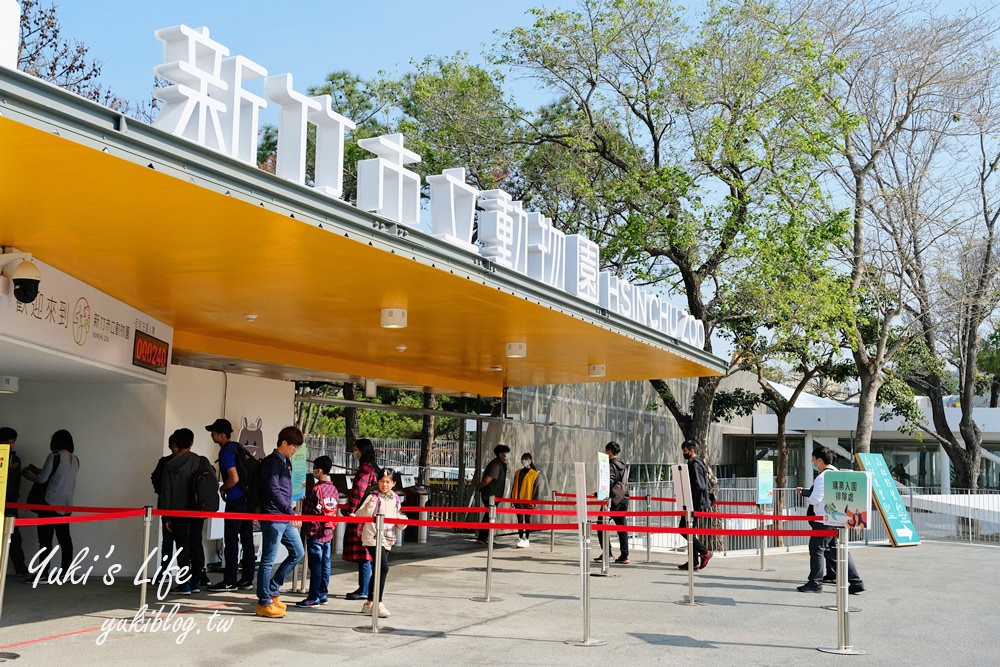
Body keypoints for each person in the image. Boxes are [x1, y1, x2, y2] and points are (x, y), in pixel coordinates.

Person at [796, 446, 866, 594]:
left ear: (820, 460)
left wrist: (810, 496)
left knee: (816, 549)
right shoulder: (836, 473)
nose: (813, 462)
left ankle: (815, 583)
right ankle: (856, 581)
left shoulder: (822, 477)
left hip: (824, 520)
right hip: (838, 519)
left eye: (814, 460)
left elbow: (816, 499)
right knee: (839, 549)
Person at [256, 426, 306, 618]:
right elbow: (273, 490)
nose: (295, 450)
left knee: (297, 552)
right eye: (294, 446)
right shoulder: (272, 463)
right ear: (284, 443)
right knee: (268, 560)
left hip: (284, 515)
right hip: (274, 516)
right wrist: (290, 511)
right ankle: (263, 602)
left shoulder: (285, 462)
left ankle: (273, 589)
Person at [206, 418, 255, 592]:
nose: (211, 435)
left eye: (213, 432)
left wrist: (222, 489)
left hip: (236, 500)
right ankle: (247, 579)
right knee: (247, 540)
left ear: (221, 435)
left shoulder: (226, 452)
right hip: (248, 499)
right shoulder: (238, 447)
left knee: (231, 540)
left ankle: (230, 581)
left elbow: (234, 478)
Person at [161, 428, 212, 595]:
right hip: (197, 511)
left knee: (182, 547)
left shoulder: (169, 466)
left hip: (177, 513)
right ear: (191, 443)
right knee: (196, 544)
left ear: (175, 444)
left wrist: (166, 516)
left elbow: (166, 493)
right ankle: (196, 581)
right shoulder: (200, 461)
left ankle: (184, 584)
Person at [23, 429, 80, 576]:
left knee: (45, 541)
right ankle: (66, 572)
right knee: (65, 540)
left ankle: (43, 573)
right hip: (66, 504)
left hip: (49, 503)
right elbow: (61, 476)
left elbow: (42, 479)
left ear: (55, 441)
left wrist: (30, 476)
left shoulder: (54, 456)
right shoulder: (75, 460)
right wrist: (40, 471)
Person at [355, 467, 406, 618]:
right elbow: (360, 514)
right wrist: (370, 506)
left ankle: (369, 602)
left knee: (378, 569)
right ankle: (378, 602)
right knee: (383, 568)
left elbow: (397, 514)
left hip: (388, 537)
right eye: (382, 481)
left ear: (393, 483)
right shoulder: (373, 496)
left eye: (388, 482)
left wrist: (402, 521)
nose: (384, 485)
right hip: (373, 537)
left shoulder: (395, 498)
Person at [296, 455, 339, 608]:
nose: (313, 471)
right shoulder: (334, 489)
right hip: (328, 531)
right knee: (325, 564)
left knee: (315, 566)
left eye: (314, 468)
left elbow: (307, 511)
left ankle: (313, 597)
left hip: (315, 531)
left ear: (319, 470)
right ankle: (323, 594)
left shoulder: (315, 489)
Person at [342, 438, 381, 600]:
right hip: (373, 513)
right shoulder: (375, 468)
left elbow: (358, 491)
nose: (355, 452)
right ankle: (366, 588)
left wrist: (351, 510)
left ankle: (364, 589)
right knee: (370, 552)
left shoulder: (365, 469)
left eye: (357, 449)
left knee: (364, 553)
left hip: (362, 514)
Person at [677, 440, 712, 570]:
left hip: (693, 503)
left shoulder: (694, 464)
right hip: (694, 503)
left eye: (685, 451)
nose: (684, 453)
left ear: (692, 451)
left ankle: (704, 552)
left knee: (683, 529)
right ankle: (694, 561)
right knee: (689, 530)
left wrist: (688, 494)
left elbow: (700, 485)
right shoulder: (698, 462)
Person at [150, 437, 180, 584]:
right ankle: (166, 572)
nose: (172, 448)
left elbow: (154, 479)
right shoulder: (191, 461)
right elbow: (155, 478)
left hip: (168, 505)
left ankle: (166, 573)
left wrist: (162, 493)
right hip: (178, 507)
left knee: (171, 542)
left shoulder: (166, 462)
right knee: (171, 542)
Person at [596, 441, 630, 564]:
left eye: (606, 451)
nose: (605, 453)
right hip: (623, 498)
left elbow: (608, 481)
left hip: (612, 500)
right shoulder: (623, 464)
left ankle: (607, 553)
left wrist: (601, 493)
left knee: (601, 525)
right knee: (622, 527)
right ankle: (624, 555)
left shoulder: (610, 465)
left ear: (610, 451)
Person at [1, 426, 28, 576]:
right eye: (10, 442)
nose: (12, 445)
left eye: (13, 442)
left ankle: (20, 565)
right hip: (8, 502)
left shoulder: (15, 458)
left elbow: (16, 481)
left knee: (14, 536)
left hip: (10, 502)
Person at [476, 444, 510, 543]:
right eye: (506, 453)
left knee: (490, 516)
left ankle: (486, 537)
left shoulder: (501, 464)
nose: (508, 455)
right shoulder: (496, 464)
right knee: (489, 516)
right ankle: (483, 537)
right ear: (500, 454)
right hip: (490, 495)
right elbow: (488, 479)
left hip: (494, 495)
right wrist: (480, 486)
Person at [511, 452, 540, 548]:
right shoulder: (518, 472)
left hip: (528, 500)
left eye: (526, 459)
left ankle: (527, 538)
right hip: (517, 499)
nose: (524, 461)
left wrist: (534, 501)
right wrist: (512, 499)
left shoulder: (534, 474)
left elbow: (536, 488)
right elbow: (514, 486)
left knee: (527, 520)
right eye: (523, 459)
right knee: (519, 519)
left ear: (530, 461)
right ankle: (520, 537)